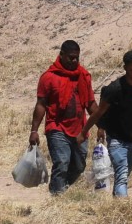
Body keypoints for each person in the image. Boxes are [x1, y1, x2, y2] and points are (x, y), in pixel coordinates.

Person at [80, 50, 132, 198]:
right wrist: (84, 132)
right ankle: (124, 209)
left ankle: (116, 204)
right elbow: (99, 113)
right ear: (125, 68)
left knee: (124, 175)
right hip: (116, 139)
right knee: (121, 173)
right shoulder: (114, 89)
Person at [30, 40, 97, 195]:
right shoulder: (49, 77)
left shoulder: (84, 75)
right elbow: (41, 104)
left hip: (80, 129)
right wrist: (34, 131)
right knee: (62, 162)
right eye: (70, 58)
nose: (74, 61)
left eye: (76, 58)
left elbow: (91, 103)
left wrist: (102, 124)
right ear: (61, 55)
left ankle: (61, 186)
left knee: (79, 166)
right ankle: (57, 197)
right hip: (57, 127)